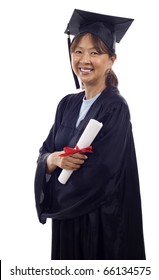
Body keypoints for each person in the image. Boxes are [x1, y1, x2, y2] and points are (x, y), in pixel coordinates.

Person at [34, 9, 146, 260]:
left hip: (101, 222)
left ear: (111, 59)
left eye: (95, 52)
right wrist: (53, 160)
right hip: (67, 222)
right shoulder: (66, 104)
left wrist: (58, 192)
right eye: (78, 51)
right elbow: (46, 152)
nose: (84, 59)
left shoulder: (115, 107)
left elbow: (103, 174)